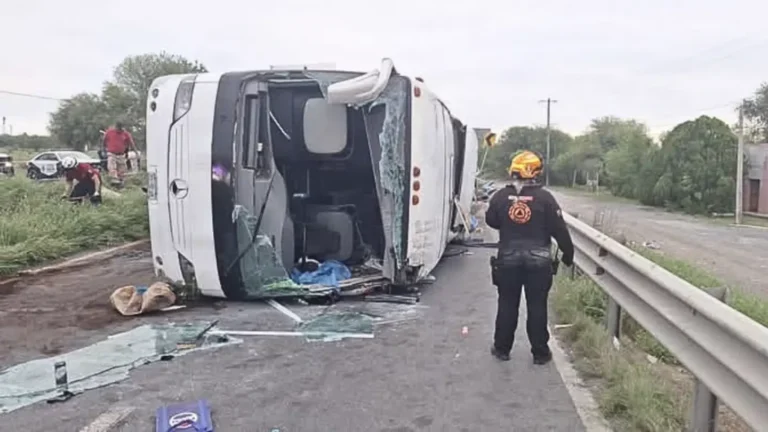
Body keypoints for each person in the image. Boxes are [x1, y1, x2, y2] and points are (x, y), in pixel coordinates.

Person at [484, 150, 574, 365]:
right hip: (539, 260)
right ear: (535, 171)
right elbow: (559, 229)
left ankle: (502, 349)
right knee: (537, 306)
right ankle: (540, 354)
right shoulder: (545, 198)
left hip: (507, 258)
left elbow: (491, 221)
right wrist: (568, 255)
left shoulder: (500, 196)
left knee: (507, 304)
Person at [102, 121, 137, 187]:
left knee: (122, 170)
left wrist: (136, 153)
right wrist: (104, 149)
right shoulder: (109, 132)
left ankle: (121, 182)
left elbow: (131, 143)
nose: (119, 130)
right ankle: (114, 181)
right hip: (112, 154)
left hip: (121, 155)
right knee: (112, 167)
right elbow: (104, 140)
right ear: (116, 127)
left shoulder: (126, 134)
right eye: (118, 128)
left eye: (120, 129)